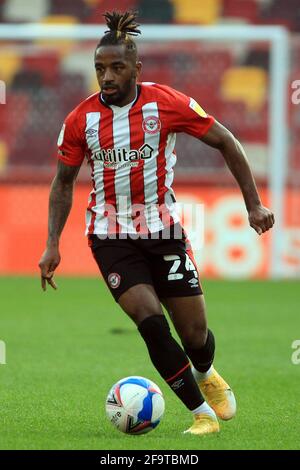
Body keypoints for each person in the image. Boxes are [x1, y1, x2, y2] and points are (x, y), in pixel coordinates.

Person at [39, 10, 275, 435]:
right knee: (150, 321)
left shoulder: (166, 103)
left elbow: (226, 140)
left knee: (195, 333)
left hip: (164, 231)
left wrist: (254, 204)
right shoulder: (80, 120)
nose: (106, 76)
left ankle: (205, 371)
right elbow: (62, 183)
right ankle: (201, 414)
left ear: (136, 68)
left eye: (115, 67)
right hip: (110, 236)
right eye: (99, 68)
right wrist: (52, 242)